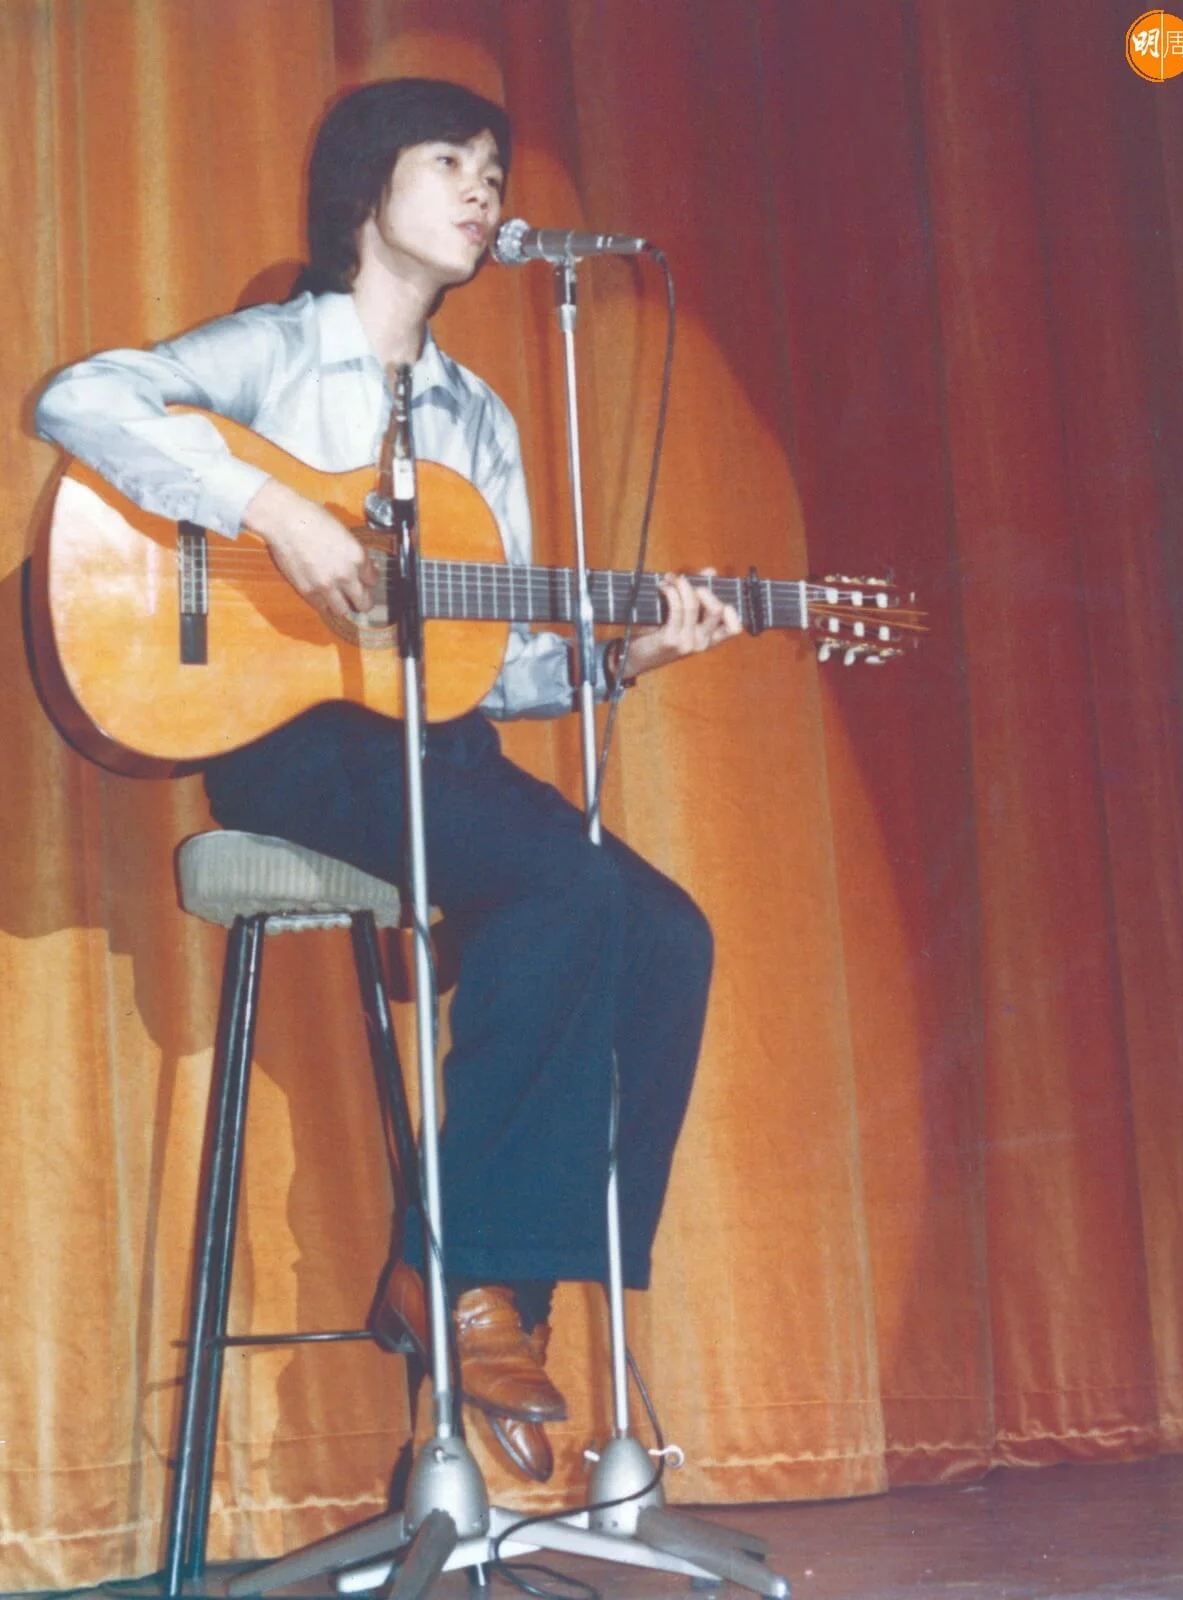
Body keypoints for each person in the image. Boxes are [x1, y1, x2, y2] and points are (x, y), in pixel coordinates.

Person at [36, 78, 741, 1483]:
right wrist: (276, 513)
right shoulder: (279, 348)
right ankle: (469, 1286)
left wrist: (627, 657)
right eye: (450, 161)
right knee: (563, 885)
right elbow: (77, 398)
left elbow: (497, 667)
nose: (485, 190)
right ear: (369, 184)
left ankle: (485, 1292)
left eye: (496, 171)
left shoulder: (481, 417)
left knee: (666, 931)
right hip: (295, 744)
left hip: (435, 745)